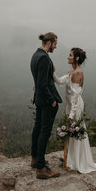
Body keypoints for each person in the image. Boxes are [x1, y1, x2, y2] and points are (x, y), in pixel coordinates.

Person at [30, 32, 62, 179]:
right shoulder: (43, 58)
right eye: (55, 43)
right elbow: (42, 84)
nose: (55, 46)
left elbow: (40, 79)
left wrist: (51, 70)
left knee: (37, 128)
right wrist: (52, 100)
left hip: (38, 99)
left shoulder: (35, 55)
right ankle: (41, 168)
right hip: (46, 100)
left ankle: (35, 158)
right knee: (44, 131)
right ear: (49, 43)